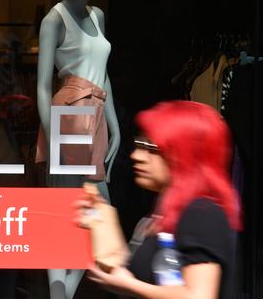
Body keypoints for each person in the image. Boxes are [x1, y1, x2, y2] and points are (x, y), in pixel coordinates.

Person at [76, 100, 241, 298]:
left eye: (152, 148)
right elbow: (135, 276)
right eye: (139, 143)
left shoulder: (201, 212)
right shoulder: (162, 212)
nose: (137, 155)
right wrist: (102, 223)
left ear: (185, 155)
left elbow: (199, 295)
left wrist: (129, 285)